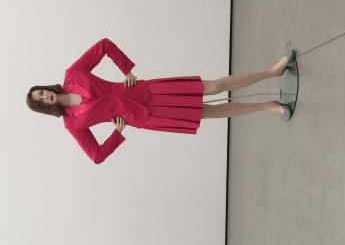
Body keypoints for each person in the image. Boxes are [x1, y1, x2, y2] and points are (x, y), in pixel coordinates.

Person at [26, 38, 296, 163]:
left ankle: (273, 71)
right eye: (41, 100)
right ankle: (267, 107)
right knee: (208, 112)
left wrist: (127, 70)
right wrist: (117, 134)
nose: (45, 96)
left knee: (213, 86)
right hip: (144, 117)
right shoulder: (72, 124)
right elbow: (96, 156)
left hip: (144, 91)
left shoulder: (73, 74)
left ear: (45, 88)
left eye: (41, 92)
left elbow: (104, 45)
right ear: (45, 107)